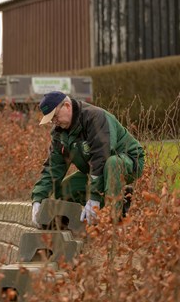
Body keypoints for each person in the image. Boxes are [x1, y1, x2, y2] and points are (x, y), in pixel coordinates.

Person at [31, 91, 145, 228]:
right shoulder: (59, 133)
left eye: (55, 116)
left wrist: (94, 198)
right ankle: (111, 206)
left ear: (67, 106)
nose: (54, 122)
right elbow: (52, 168)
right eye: (50, 120)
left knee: (112, 163)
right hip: (97, 170)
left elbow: (102, 156)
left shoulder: (95, 117)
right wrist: (38, 199)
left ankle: (114, 224)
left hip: (127, 162)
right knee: (64, 190)